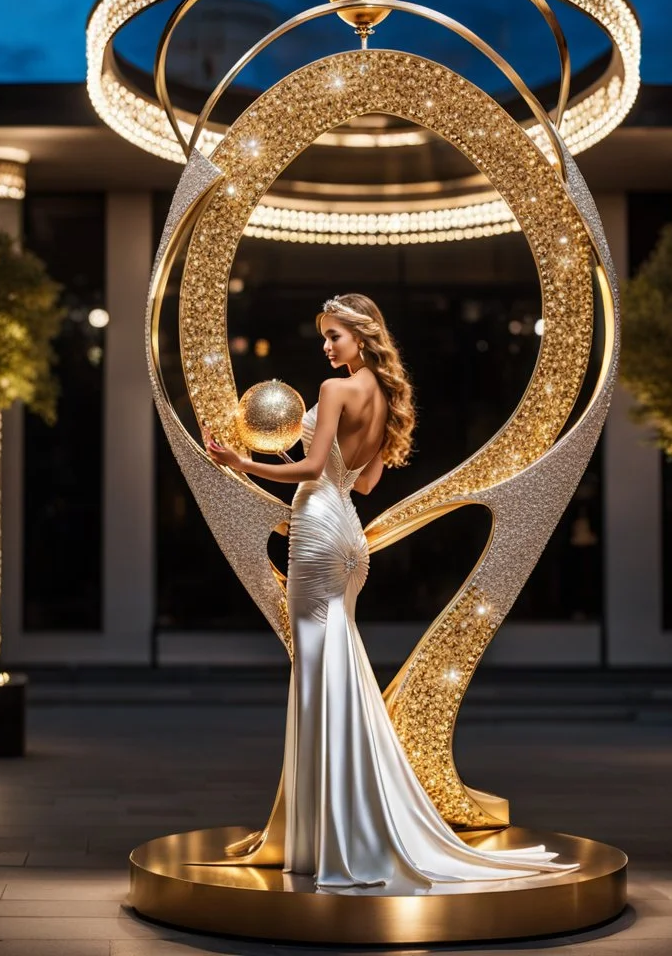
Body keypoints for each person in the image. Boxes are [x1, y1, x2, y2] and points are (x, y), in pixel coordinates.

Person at [206, 293, 576, 891]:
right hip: (350, 538)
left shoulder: (334, 392)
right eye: (323, 337)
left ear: (361, 335)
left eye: (334, 336)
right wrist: (315, 464)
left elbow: (310, 468)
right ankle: (349, 826)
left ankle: (335, 836)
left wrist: (237, 463)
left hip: (320, 527)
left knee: (319, 673)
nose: (326, 347)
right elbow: (368, 478)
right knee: (338, 667)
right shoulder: (382, 396)